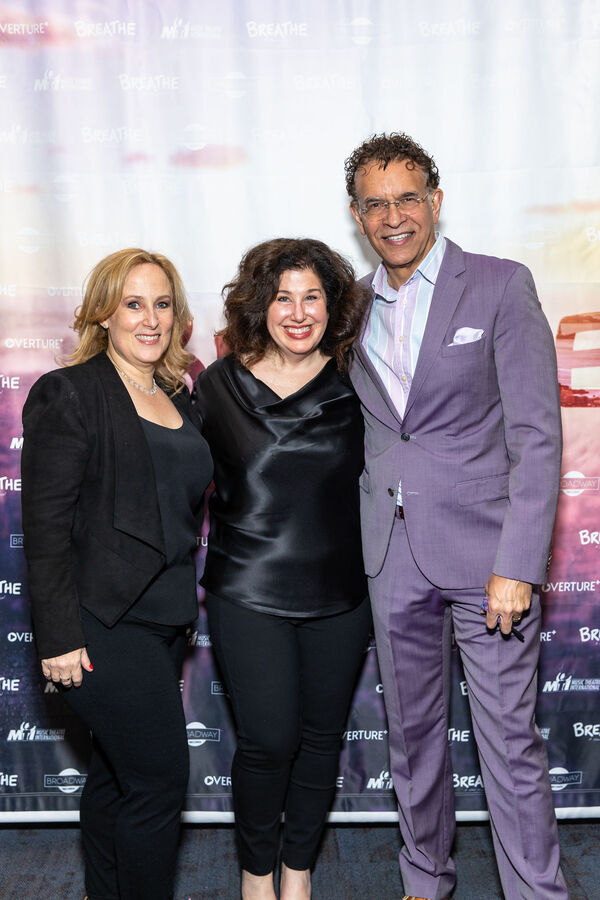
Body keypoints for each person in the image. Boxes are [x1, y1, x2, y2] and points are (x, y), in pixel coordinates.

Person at [344, 133, 567, 900]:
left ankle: (537, 891)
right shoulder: (349, 305)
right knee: (411, 742)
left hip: (488, 559)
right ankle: (424, 882)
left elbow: (537, 436)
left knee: (509, 744)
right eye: (375, 203)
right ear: (357, 214)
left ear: (435, 201)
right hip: (391, 556)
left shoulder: (501, 285)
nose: (393, 216)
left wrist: (519, 564)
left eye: (408, 198)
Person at [21, 248, 212, 900]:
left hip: (162, 622)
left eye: (162, 304)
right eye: (134, 303)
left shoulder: (177, 394)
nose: (150, 319)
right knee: (157, 782)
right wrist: (57, 637)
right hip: (100, 624)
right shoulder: (72, 392)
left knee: (116, 779)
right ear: (104, 313)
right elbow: (45, 527)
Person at [192, 238, 372, 900]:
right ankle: (254, 873)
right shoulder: (218, 384)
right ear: (260, 305)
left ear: (334, 306)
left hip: (343, 594)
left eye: (312, 298)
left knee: (322, 741)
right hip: (247, 590)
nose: (297, 313)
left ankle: (296, 874)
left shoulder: (361, 382)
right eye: (282, 298)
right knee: (268, 740)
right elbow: (173, 477)